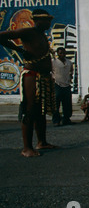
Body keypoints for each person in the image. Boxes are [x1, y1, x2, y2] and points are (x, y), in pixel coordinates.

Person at [0, 9, 58, 157]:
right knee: (30, 110)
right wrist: (18, 50)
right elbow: (2, 37)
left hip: (43, 77)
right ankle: (26, 148)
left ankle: (41, 142)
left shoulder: (41, 35)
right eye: (47, 21)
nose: (49, 23)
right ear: (37, 20)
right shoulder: (28, 32)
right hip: (32, 77)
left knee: (40, 111)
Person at [52, 47, 74, 126]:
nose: (62, 54)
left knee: (67, 103)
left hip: (66, 84)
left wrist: (70, 77)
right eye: (60, 53)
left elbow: (71, 71)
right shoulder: (54, 62)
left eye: (63, 53)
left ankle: (66, 119)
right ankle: (56, 120)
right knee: (56, 103)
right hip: (57, 84)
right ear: (57, 53)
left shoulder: (69, 62)